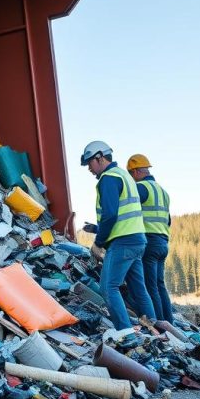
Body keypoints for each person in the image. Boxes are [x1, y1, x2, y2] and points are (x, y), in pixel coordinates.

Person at [79, 141, 157, 331]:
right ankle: (156, 329)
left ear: (100, 157)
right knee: (139, 289)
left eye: (90, 162)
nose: (89, 168)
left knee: (108, 288)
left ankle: (125, 332)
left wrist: (98, 242)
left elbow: (111, 214)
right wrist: (97, 229)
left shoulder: (108, 178)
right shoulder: (124, 176)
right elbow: (122, 215)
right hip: (137, 240)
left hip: (123, 243)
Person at [127, 154, 175, 324]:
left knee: (150, 286)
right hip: (163, 242)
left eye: (130, 175)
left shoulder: (141, 188)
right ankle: (170, 323)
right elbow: (168, 220)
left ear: (136, 172)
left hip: (150, 242)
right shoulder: (163, 191)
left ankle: (161, 326)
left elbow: (127, 211)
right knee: (160, 286)